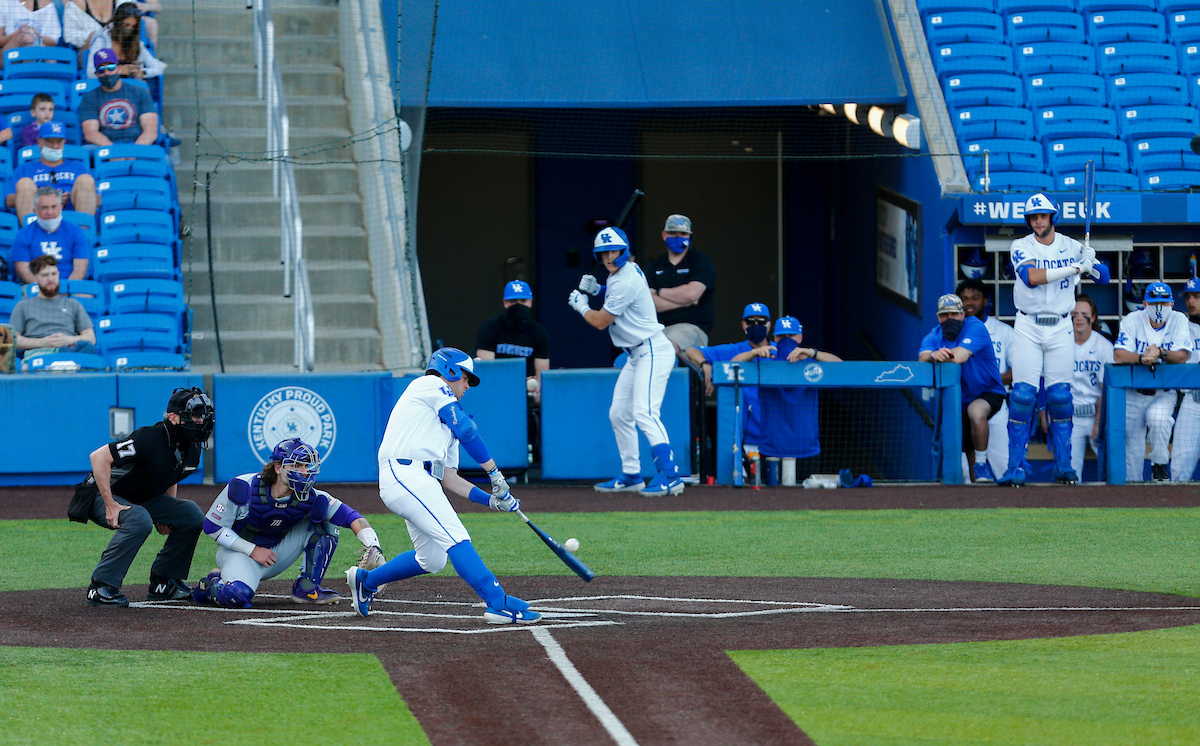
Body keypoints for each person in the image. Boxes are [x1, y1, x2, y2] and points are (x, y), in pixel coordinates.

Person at [346, 347, 541, 624]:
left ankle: (367, 580)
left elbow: (450, 479)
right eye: (465, 378)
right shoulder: (429, 384)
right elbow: (468, 430)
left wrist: (492, 500)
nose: (467, 385)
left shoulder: (446, 422)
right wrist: (494, 474)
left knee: (432, 559)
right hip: (404, 474)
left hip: (420, 480)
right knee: (456, 535)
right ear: (449, 370)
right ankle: (497, 602)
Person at [192, 438, 385, 608]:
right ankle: (211, 585)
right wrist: (252, 550)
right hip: (239, 553)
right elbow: (212, 527)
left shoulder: (312, 497)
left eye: (307, 466)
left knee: (326, 523)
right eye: (297, 466)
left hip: (276, 553)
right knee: (237, 596)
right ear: (278, 467)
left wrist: (373, 546)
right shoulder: (244, 486)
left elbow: (352, 517)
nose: (304, 472)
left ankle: (307, 588)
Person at [998, 193, 1106, 487]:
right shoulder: (1020, 245)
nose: (1038, 221)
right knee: (1022, 396)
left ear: (1051, 218)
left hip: (1060, 325)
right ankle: (1015, 466)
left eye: (1042, 216)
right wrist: (1075, 268)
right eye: (1033, 217)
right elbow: (1031, 276)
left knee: (1060, 397)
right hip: (1028, 324)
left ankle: (1064, 465)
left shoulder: (1072, 246)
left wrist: (1090, 259)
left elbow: (1104, 278)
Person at [572, 226, 685, 495]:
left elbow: (600, 321)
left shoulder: (625, 278)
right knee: (619, 413)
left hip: (653, 350)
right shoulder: (621, 274)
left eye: (614, 251)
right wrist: (599, 289)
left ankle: (670, 475)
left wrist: (582, 305)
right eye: (604, 253)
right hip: (635, 354)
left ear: (624, 250)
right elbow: (615, 294)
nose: (610, 257)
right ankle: (632, 475)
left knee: (644, 412)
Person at [76, 387, 212, 607]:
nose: (200, 421)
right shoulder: (150, 437)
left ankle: (164, 582)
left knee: (190, 514)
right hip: (101, 494)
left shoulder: (191, 446)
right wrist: (110, 504)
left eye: (203, 416)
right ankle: (101, 586)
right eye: (195, 416)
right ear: (174, 418)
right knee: (139, 519)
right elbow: (99, 457)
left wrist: (166, 512)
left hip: (141, 496)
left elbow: (170, 475)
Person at [919, 294, 1006, 482]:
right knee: (966, 449)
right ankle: (977, 496)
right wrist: (934, 355)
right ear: (938, 317)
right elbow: (922, 357)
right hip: (958, 401)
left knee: (976, 413)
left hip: (988, 390)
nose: (949, 319)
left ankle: (982, 465)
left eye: (954, 314)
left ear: (962, 314)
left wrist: (940, 355)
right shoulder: (935, 334)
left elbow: (960, 356)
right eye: (944, 315)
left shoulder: (974, 326)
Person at [1113, 282, 1194, 482]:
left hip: (1164, 392)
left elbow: (1182, 356)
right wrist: (1142, 358)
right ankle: (1133, 499)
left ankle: (1159, 465)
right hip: (1134, 393)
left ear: (1172, 304)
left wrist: (1160, 353)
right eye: (1154, 302)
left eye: (1163, 303)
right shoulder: (1132, 320)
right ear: (1144, 303)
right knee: (1132, 456)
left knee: (1159, 419)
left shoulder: (1179, 319)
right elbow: (1119, 354)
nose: (1159, 307)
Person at [758, 315, 844, 479]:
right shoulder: (766, 361)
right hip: (771, 449)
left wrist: (812, 353)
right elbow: (733, 365)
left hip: (806, 448)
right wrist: (755, 352)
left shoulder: (810, 363)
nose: (786, 340)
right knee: (769, 500)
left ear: (799, 337)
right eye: (782, 336)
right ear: (774, 338)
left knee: (807, 501)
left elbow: (842, 367)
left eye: (790, 336)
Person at [683, 302, 774, 456]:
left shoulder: (780, 351)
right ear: (744, 325)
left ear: (769, 325)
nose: (756, 325)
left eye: (762, 321)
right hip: (743, 439)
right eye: (751, 321)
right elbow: (691, 351)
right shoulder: (732, 350)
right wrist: (706, 364)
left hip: (775, 438)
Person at [956, 278, 1012, 481]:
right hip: (963, 403)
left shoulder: (1004, 331)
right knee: (964, 472)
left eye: (975, 298)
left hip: (993, 403)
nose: (969, 303)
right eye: (964, 299)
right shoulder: (953, 330)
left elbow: (1020, 371)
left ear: (986, 300)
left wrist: (989, 379)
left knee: (1002, 465)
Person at [1060, 295, 1114, 481]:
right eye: (1074, 314)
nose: (1079, 318)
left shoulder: (1103, 346)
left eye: (1084, 314)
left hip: (1096, 417)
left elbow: (1105, 390)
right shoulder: (1060, 344)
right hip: (1070, 417)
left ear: (1093, 317)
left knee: (1110, 469)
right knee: (1070, 474)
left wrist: (1098, 423)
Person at [644, 214, 716, 354]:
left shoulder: (700, 261)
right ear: (664, 235)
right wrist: (685, 302)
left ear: (690, 236)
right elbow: (649, 303)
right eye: (672, 233)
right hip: (657, 329)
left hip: (690, 328)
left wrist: (661, 292)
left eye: (683, 233)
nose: (678, 237)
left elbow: (691, 294)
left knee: (665, 349)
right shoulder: (654, 265)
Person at [475, 279, 550, 403]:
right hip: (495, 391)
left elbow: (542, 378)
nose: (518, 305)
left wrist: (533, 389)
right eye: (513, 301)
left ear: (530, 303)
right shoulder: (489, 328)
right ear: (505, 303)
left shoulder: (539, 333)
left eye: (523, 301)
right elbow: (486, 374)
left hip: (527, 393)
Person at [7, 121, 97, 219]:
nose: (55, 146)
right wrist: (43, 198)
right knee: (24, 183)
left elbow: (98, 199)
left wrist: (74, 197)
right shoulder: (24, 169)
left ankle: (82, 232)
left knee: (85, 180)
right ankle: (32, 232)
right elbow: (9, 200)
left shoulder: (79, 167)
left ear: (64, 142)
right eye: (50, 141)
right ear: (39, 142)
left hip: (72, 215)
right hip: (39, 216)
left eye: (59, 141)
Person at [9, 255, 95, 354]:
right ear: (35, 279)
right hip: (38, 354)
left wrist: (68, 340)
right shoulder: (23, 306)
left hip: (68, 352)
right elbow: (12, 339)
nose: (50, 279)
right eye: (45, 275)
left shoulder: (73, 304)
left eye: (54, 274)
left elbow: (90, 337)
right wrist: (43, 342)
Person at [78, 48, 158, 146]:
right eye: (101, 70)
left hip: (136, 144)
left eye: (111, 67)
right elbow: (91, 133)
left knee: (164, 158)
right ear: (96, 74)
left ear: (119, 69)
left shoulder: (139, 92)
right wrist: (114, 152)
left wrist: (135, 152)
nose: (107, 73)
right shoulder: (89, 98)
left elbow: (150, 131)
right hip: (105, 146)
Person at [9, 187, 91, 284]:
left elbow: (79, 270)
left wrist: (64, 290)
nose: (50, 212)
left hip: (69, 287)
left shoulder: (76, 232)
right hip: (36, 288)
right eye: (44, 207)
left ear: (61, 207)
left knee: (86, 297)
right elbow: (23, 271)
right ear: (35, 210)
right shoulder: (24, 234)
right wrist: (45, 290)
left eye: (53, 207)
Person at [1170, 277, 1200, 483]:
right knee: (1180, 464)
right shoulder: (1181, 327)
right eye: (1188, 296)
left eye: (1196, 296)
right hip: (1192, 400)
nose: (1191, 301)